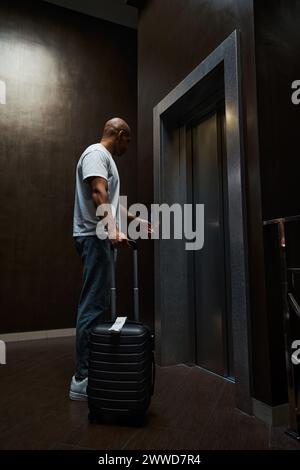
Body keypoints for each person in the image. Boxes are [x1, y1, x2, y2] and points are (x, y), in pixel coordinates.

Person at [69, 117, 151, 400]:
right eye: (128, 139)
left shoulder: (104, 158)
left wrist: (133, 219)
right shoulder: (96, 154)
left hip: (98, 235)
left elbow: (110, 202)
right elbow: (98, 193)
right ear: (119, 134)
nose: (128, 145)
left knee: (98, 302)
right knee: (93, 304)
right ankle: (82, 378)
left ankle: (92, 369)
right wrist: (113, 229)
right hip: (94, 237)